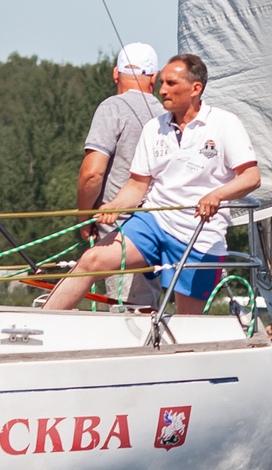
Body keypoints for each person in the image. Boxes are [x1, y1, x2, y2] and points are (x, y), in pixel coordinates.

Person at [42, 54, 258, 315]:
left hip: (200, 234)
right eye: (162, 82)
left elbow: (251, 177)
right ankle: (42, 322)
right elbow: (137, 184)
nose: (162, 89)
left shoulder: (225, 123)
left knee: (187, 319)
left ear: (195, 89)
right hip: (153, 222)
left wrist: (217, 195)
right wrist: (114, 206)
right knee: (92, 260)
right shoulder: (153, 127)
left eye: (171, 83)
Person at [78, 43, 167, 307]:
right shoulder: (167, 115)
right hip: (159, 229)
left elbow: (92, 173)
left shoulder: (112, 107)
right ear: (154, 77)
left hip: (119, 232)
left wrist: (84, 217)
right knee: (148, 310)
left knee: (124, 314)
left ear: (116, 73)